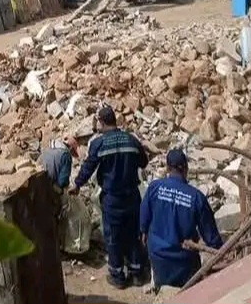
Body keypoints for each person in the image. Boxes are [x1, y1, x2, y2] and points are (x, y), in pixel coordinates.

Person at [70, 104, 149, 289]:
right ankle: (137, 274)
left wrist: (77, 184)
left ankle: (117, 276)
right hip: (132, 197)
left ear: (102, 122)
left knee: (113, 237)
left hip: (112, 199)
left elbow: (88, 167)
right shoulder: (131, 140)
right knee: (133, 234)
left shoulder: (99, 143)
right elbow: (143, 162)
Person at [140, 149, 223, 289]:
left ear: (167, 168)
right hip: (183, 260)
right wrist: (221, 252)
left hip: (157, 255)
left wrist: (145, 236)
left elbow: (143, 221)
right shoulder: (196, 197)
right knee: (189, 289)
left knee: (164, 289)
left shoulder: (154, 187)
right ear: (186, 168)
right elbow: (211, 237)